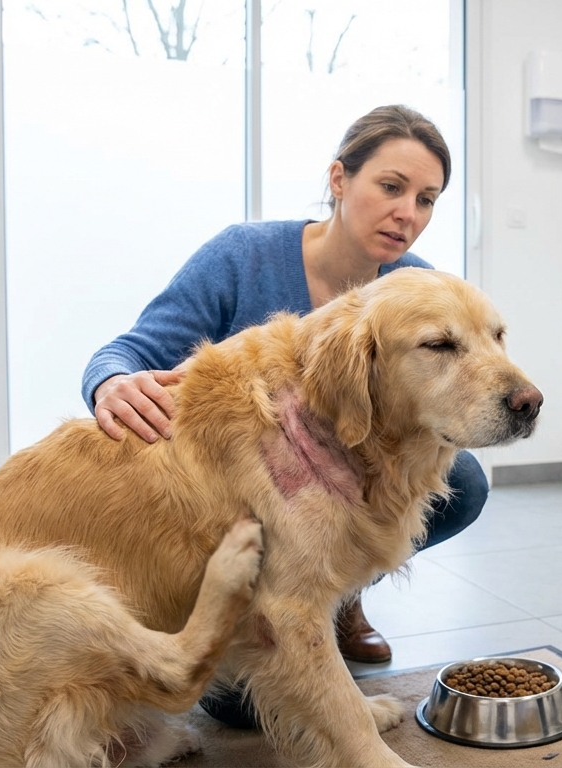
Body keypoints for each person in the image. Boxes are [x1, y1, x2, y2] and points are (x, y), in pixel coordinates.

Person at [80, 105, 488, 706]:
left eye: (427, 199)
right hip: (237, 504)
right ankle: (221, 608)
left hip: (337, 497)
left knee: (465, 481)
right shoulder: (243, 255)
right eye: (392, 187)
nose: (408, 214)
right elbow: (132, 350)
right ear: (339, 180)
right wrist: (110, 383)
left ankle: (339, 597)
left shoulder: (415, 285)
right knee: (245, 707)